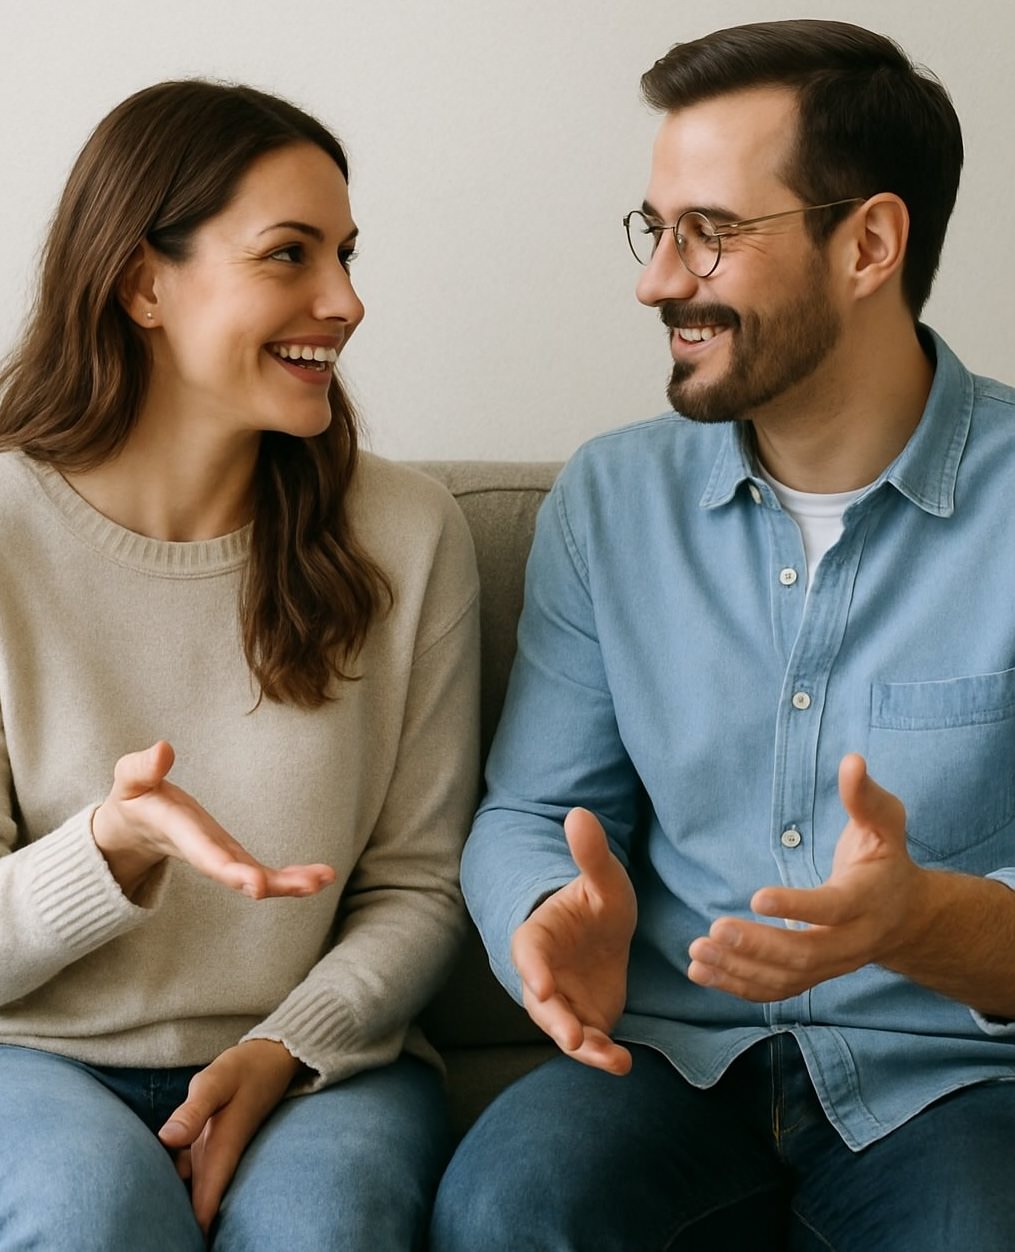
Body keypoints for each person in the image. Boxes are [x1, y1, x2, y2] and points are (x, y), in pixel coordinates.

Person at [430, 18, 1015, 1252]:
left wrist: (919, 918)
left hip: (955, 1081)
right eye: (655, 229)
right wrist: (547, 912)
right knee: (504, 1209)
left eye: (709, 232)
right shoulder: (610, 499)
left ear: (868, 244)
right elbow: (533, 809)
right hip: (668, 1058)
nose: (655, 281)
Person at [0, 80, 479, 1251]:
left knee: (328, 1227)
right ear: (142, 284)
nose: (346, 301)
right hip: (32, 1056)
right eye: (289, 254)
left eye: (346, 254)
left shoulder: (407, 533)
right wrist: (112, 847)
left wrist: (286, 1044)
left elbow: (421, 887)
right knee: (89, 1214)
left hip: (317, 1057)